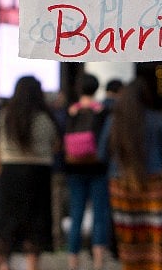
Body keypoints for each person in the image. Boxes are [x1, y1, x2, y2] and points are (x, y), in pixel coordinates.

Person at [100, 80, 162, 270]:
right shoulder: (156, 119)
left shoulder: (113, 121)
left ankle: (132, 265)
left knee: (130, 232)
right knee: (156, 229)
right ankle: (158, 265)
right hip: (153, 180)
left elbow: (102, 153)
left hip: (121, 180)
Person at [0, 75, 58, 270]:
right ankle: (32, 266)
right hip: (39, 173)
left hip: (11, 172)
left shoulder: (6, 114)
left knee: (7, 225)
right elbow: (55, 144)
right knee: (35, 225)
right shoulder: (45, 117)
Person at [64, 74, 111, 270]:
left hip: (74, 167)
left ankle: (73, 261)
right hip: (98, 167)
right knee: (100, 214)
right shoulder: (102, 111)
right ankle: (99, 261)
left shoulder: (71, 111)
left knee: (77, 214)